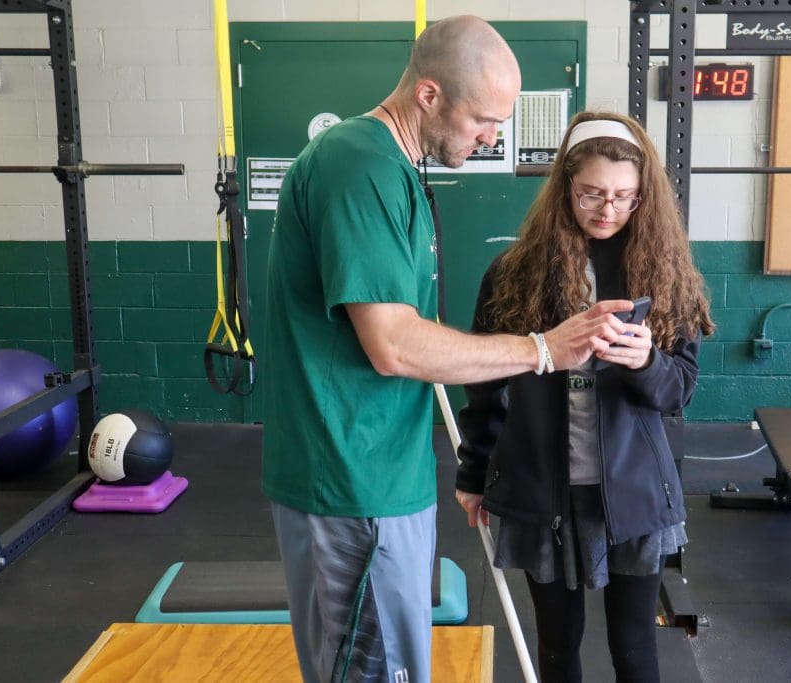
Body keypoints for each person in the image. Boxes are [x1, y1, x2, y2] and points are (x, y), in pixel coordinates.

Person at [262, 17, 635, 683]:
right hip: (351, 483)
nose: (492, 137)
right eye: (483, 120)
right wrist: (542, 350)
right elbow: (395, 345)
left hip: (384, 473)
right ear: (429, 95)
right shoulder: (359, 166)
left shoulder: (395, 172)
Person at [455, 111, 716, 683]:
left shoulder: (664, 274)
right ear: (564, 190)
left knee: (634, 647)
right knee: (557, 647)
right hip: (542, 489)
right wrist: (473, 475)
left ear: (644, 196)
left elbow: (679, 391)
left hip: (633, 490)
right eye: (592, 194)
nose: (608, 209)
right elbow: (484, 384)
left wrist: (644, 362)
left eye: (625, 196)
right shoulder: (513, 273)